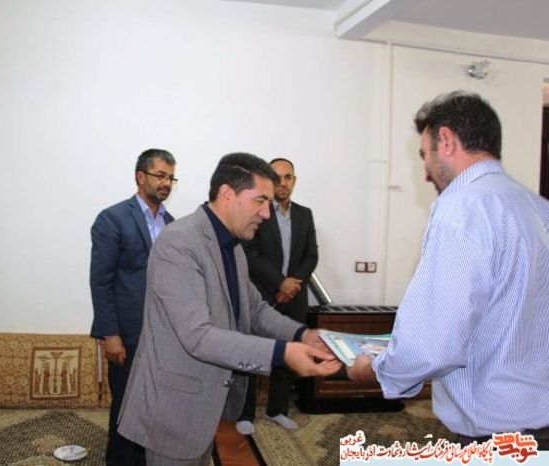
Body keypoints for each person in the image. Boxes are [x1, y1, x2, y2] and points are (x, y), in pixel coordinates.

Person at [347, 91, 549, 450]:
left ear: (446, 140)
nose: (425, 173)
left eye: (424, 155)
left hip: (498, 435)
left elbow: (433, 344)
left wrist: (376, 371)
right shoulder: (538, 207)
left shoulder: (461, 207)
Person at [118, 153, 342, 465]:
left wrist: (303, 335)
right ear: (227, 194)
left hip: (205, 406)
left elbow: (256, 310)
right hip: (173, 409)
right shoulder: (178, 243)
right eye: (260, 201)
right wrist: (282, 354)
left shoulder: (233, 247)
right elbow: (198, 336)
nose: (266, 213)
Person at [90, 149, 177, 466]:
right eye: (160, 175)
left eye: (171, 178)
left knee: (156, 406)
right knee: (126, 408)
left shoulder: (172, 224)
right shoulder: (112, 218)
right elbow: (101, 281)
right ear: (141, 177)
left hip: (163, 335)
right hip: (127, 336)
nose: (166, 183)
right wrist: (110, 334)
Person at [236, 157, 318, 435]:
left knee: (289, 353)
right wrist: (279, 283)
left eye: (288, 177)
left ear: (294, 181)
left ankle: (277, 410)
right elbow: (249, 253)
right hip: (261, 295)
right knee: (252, 353)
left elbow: (311, 255)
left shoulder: (305, 214)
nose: (282, 183)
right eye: (277, 177)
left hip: (294, 298)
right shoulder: (258, 210)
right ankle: (245, 413)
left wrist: (292, 285)